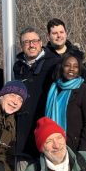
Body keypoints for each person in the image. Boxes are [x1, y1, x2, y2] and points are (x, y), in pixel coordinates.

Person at [13, 27, 59, 162]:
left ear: (41, 42)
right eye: (26, 42)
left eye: (34, 41)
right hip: (23, 135)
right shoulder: (17, 67)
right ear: (21, 46)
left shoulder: (55, 63)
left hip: (47, 129)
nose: (31, 45)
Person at [44, 52, 86, 160]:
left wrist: (83, 154)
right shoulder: (54, 90)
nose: (71, 69)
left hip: (79, 151)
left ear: (79, 69)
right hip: (56, 151)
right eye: (67, 65)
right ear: (61, 67)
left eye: (75, 66)